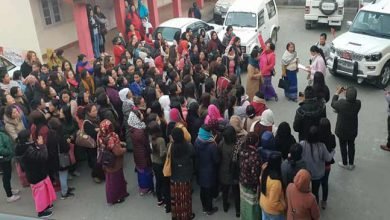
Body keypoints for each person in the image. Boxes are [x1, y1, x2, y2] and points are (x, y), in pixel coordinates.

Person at [15, 130, 56, 218]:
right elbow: (43, 157)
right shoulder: (27, 149)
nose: (31, 136)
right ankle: (41, 212)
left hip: (38, 173)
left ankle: (47, 205)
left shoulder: (24, 146)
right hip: (36, 175)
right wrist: (42, 145)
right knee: (40, 194)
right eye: (30, 135)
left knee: (44, 190)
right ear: (27, 137)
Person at [97, 119, 128, 205]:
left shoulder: (101, 135)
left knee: (113, 180)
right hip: (114, 163)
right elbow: (117, 152)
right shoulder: (111, 138)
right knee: (115, 181)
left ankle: (122, 193)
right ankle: (115, 198)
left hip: (107, 162)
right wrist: (124, 149)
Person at [300, 126, 334, 203]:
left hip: (306, 173)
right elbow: (328, 158)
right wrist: (333, 152)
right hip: (317, 174)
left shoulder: (302, 144)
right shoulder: (321, 146)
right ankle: (315, 207)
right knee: (315, 192)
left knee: (305, 191)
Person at [331, 86, 361, 170]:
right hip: (352, 130)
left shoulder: (341, 103)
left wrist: (337, 93)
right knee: (351, 146)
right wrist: (347, 94)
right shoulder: (358, 103)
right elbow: (350, 102)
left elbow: (333, 103)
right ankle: (351, 164)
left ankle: (345, 163)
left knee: (343, 146)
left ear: (346, 96)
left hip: (342, 131)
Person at [170, 127, 196, 220]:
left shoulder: (171, 146)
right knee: (186, 197)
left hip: (174, 175)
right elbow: (193, 154)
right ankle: (187, 215)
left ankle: (176, 215)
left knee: (176, 198)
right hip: (186, 175)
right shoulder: (188, 146)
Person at [195, 125, 220, 215]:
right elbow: (216, 160)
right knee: (208, 191)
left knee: (203, 190)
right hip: (209, 171)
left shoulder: (197, 140)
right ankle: (209, 209)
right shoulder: (212, 145)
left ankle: (204, 207)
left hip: (200, 169)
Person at [128, 110, 154, 195]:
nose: (142, 115)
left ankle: (142, 187)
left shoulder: (133, 128)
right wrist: (150, 150)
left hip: (137, 153)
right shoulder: (140, 131)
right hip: (143, 154)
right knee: (146, 171)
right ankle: (147, 188)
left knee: (140, 170)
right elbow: (146, 143)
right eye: (140, 114)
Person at [46, 118, 74, 199]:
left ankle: (65, 189)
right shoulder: (59, 136)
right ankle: (64, 193)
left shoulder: (50, 135)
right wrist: (68, 142)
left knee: (61, 175)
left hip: (53, 159)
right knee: (63, 176)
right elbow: (66, 148)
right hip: (61, 159)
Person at [239, 132, 261, 219]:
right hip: (251, 185)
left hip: (242, 181)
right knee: (252, 206)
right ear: (255, 143)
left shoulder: (242, 150)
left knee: (244, 203)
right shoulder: (254, 155)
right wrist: (257, 186)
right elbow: (255, 174)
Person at [259, 152, 286, 220]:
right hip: (273, 211)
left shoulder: (265, 171)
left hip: (263, 203)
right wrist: (283, 206)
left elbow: (260, 180)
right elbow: (273, 203)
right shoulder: (276, 182)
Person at [318, 118, 336, 209]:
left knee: (316, 182)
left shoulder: (317, 138)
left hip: (317, 164)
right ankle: (324, 201)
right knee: (325, 183)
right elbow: (333, 146)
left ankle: (315, 199)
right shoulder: (331, 137)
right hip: (326, 166)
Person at [148, 121, 167, 207]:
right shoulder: (161, 140)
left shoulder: (150, 139)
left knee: (158, 182)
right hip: (161, 163)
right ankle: (165, 198)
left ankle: (159, 199)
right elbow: (162, 154)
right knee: (163, 182)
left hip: (154, 163)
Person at [0, 127, 20, 203]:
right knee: (6, 176)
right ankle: (9, 195)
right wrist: (9, 152)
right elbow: (0, 149)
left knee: (8, 175)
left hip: (6, 158)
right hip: (4, 159)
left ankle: (10, 190)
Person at [258, 34, 277, 101]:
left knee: (267, 86)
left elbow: (272, 65)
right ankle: (266, 96)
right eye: (266, 46)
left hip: (267, 73)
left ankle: (274, 94)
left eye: (268, 46)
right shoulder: (264, 50)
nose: (266, 47)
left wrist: (264, 70)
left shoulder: (272, 55)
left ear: (271, 49)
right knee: (263, 86)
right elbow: (262, 43)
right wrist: (259, 35)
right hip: (261, 72)